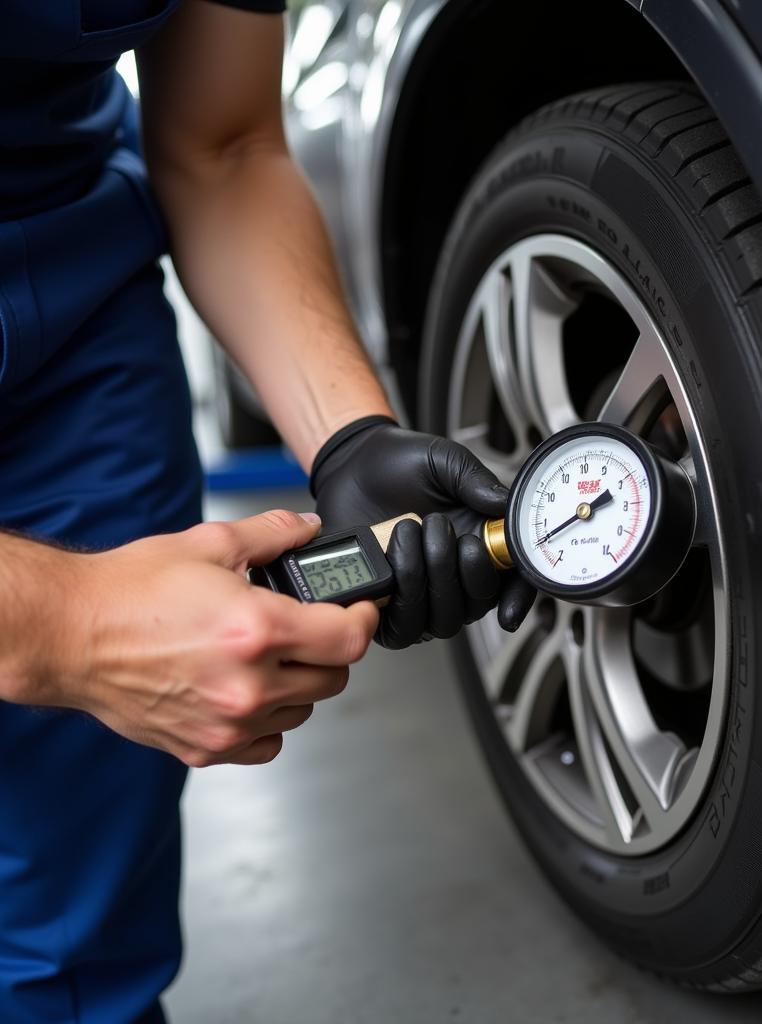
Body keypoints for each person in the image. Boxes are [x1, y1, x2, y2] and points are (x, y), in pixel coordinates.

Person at [0, 2, 533, 1020]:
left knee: (79, 902)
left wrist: (351, 439)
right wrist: (73, 624)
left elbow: (227, 142)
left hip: (73, 289)